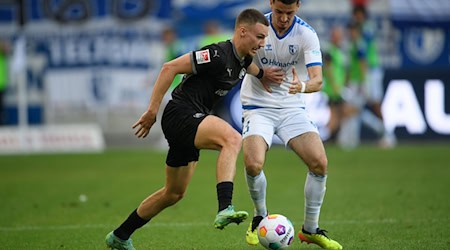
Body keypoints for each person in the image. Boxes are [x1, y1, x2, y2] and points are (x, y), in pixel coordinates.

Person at [105, 8, 270, 250]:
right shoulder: (216, 54)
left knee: (173, 193)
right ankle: (225, 207)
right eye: (259, 36)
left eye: (265, 38)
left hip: (191, 120)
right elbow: (168, 68)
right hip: (180, 113)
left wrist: (275, 77)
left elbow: (258, 72)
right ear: (243, 31)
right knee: (232, 139)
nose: (262, 43)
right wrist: (151, 111)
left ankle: (120, 236)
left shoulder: (244, 60)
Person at [240, 1, 343, 249]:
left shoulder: (306, 34)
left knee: (319, 162)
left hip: (291, 107)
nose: (284, 18)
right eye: (279, 12)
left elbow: (318, 80)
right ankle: (259, 217)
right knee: (253, 163)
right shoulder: (258, 27)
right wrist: (261, 74)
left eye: (290, 13)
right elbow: (240, 58)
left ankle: (310, 229)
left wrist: (303, 86)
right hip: (257, 106)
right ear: (272, 3)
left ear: (297, 6)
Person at [0, 39, 9, 125]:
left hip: (1, 84)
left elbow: (6, 49)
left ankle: (2, 124)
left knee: (1, 107)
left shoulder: (3, 54)